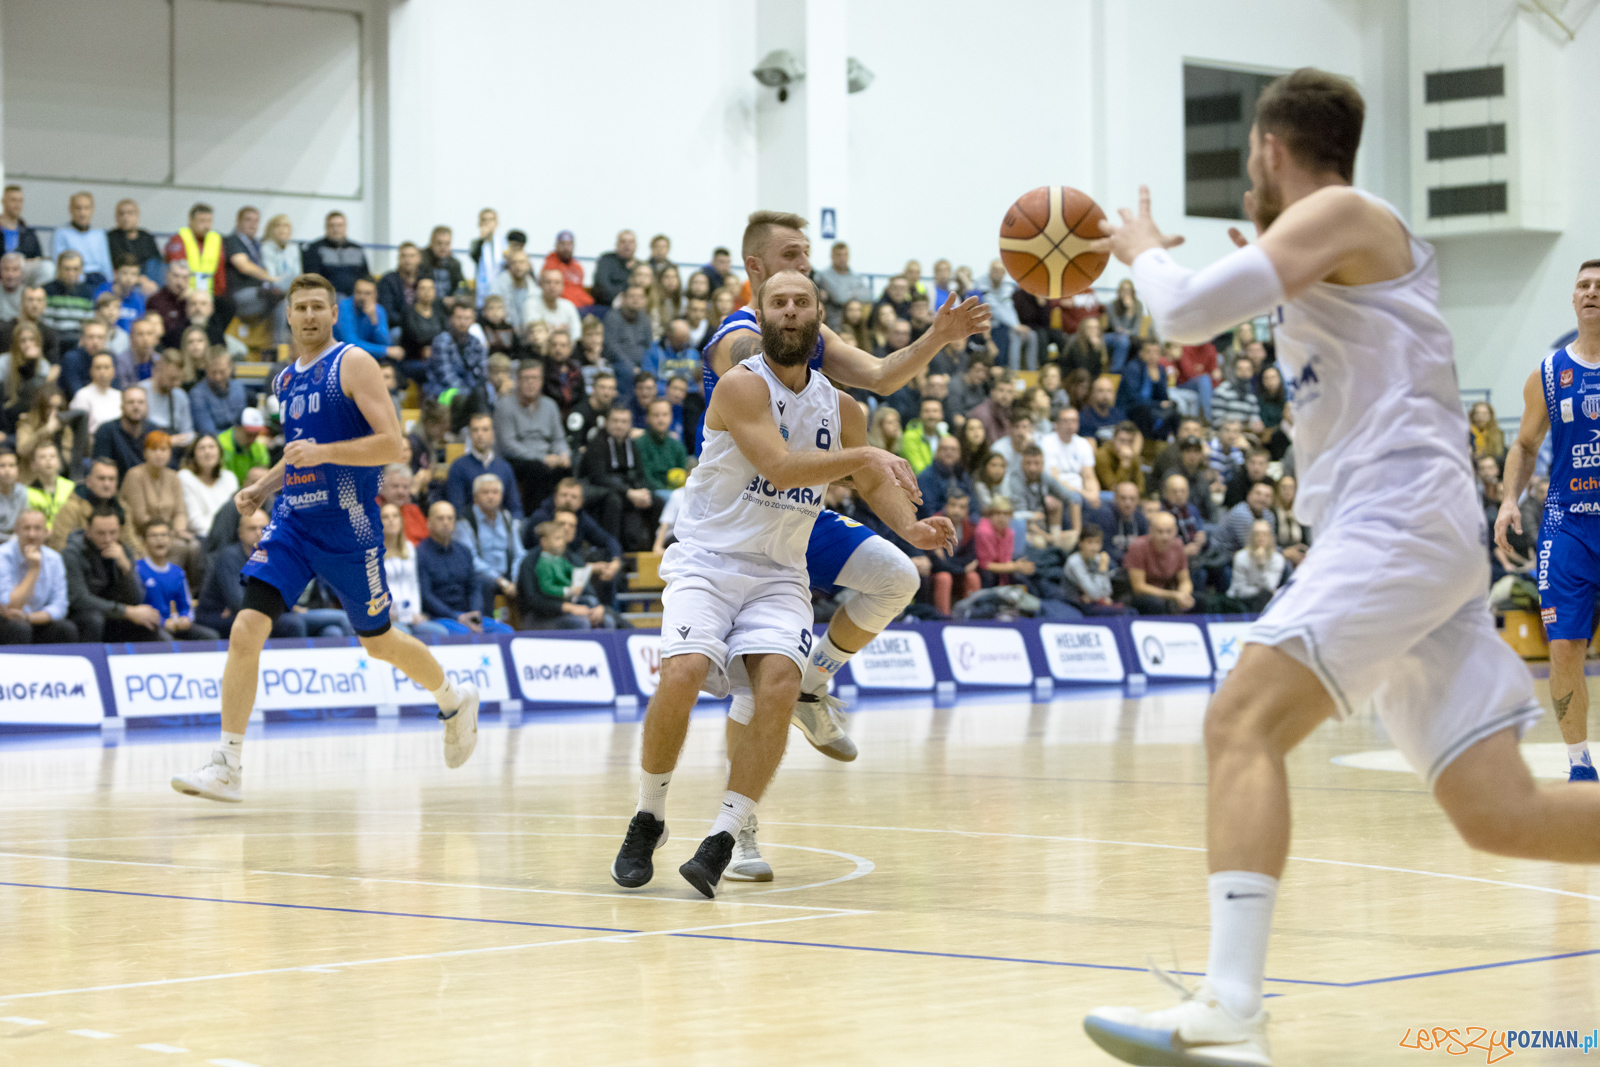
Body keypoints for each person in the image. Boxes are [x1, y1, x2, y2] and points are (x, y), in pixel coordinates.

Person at [1080, 70, 1563, 1067]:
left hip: (1397, 519)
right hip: (1407, 528)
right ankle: (1230, 1007)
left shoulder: (1343, 209)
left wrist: (1139, 251)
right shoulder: (1335, 243)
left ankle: (1231, 1008)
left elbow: (1176, 315)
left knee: (1239, 718)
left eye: (1250, 165)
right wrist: (1259, 282)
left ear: (1266, 151)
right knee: (1498, 813)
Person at [608, 268, 947, 898]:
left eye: (802, 302)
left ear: (820, 317)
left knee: (782, 685)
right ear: (760, 316)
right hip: (708, 561)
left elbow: (873, 484)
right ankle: (648, 815)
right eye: (778, 303)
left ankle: (726, 834)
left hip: (779, 573)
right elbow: (783, 467)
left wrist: (911, 526)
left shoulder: (843, 408)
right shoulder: (740, 387)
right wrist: (869, 456)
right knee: (681, 674)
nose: (790, 312)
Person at [171, 273, 482, 805]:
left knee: (379, 642)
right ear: (288, 317)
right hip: (293, 522)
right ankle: (228, 764)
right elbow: (300, 453)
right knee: (247, 627)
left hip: (349, 529)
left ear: (333, 313)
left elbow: (393, 446)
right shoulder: (285, 379)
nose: (309, 316)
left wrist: (324, 454)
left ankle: (453, 700)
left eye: (319, 306)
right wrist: (263, 487)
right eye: (301, 308)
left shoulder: (353, 363)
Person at [1497, 260, 1600, 784]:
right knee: (1563, 647)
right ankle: (1580, 764)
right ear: (1572, 298)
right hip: (1568, 525)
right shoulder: (1548, 373)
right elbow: (1524, 444)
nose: (1592, 292)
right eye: (1583, 285)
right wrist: (1509, 500)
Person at [64, 503, 162, 642]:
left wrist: (126, 569)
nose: (108, 539)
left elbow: (137, 599)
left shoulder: (123, 551)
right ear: (88, 531)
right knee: (94, 619)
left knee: (147, 622)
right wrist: (127, 612)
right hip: (82, 615)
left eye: (113, 532)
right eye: (101, 533)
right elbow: (80, 599)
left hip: (115, 615)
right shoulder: (72, 554)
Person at [415, 499, 512, 635]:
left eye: (450, 518)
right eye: (440, 518)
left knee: (505, 631)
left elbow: (474, 588)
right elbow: (426, 595)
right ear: (429, 522)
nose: (445, 522)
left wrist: (474, 614)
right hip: (439, 617)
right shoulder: (420, 553)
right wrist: (457, 616)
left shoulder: (464, 551)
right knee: (464, 633)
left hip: (468, 615)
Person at [494, 359, 570, 511]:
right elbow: (508, 445)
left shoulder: (550, 405)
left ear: (541, 381)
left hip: (548, 458)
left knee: (567, 469)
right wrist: (541, 458)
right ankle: (535, 517)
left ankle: (562, 516)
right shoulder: (505, 405)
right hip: (518, 460)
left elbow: (558, 438)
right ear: (518, 381)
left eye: (535, 378)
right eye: (526, 379)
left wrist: (563, 454)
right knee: (537, 469)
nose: (531, 383)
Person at [453, 472, 525, 619]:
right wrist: (499, 580)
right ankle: (486, 624)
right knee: (483, 583)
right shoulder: (466, 520)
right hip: (484, 575)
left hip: (509, 574)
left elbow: (519, 553)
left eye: (495, 492)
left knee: (529, 575)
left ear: (501, 495)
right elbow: (470, 558)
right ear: (475, 496)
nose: (491, 496)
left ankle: (528, 626)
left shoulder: (507, 518)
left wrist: (516, 578)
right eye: (485, 492)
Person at [0, 508, 75, 643]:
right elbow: (9, 606)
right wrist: (33, 570)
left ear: (46, 533)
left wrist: (30, 617)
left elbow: (60, 605)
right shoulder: (3, 556)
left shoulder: (54, 559)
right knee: (19, 628)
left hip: (36, 618)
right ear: (16, 530)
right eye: (26, 528)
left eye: (37, 529)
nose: (32, 535)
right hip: (7, 621)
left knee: (66, 629)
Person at [520, 517, 611, 629]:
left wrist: (597, 607)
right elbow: (535, 600)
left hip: (570, 606)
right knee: (582, 623)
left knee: (606, 620)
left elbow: (583, 584)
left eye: (562, 539)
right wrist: (568, 606)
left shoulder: (565, 559)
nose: (562, 543)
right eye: (557, 539)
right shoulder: (533, 562)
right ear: (544, 541)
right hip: (542, 616)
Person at [136, 519, 218, 642]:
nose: (159, 539)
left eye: (164, 535)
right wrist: (162, 622)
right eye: (154, 536)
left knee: (210, 636)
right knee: (166, 640)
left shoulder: (177, 573)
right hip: (149, 626)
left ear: (170, 540)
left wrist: (185, 619)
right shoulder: (138, 569)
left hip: (174, 624)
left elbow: (185, 605)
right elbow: (138, 604)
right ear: (144, 542)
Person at [379, 502, 446, 637]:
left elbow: (413, 584)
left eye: (395, 516)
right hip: (386, 616)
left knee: (441, 632)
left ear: (401, 520)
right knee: (405, 634)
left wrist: (416, 612)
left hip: (410, 614)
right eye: (385, 517)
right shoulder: (373, 552)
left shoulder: (409, 548)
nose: (391, 520)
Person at [426, 300, 491, 430]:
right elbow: (446, 376)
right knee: (464, 396)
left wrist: (475, 388)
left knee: (486, 391)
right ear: (451, 319)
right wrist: (469, 390)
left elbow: (481, 372)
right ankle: (462, 433)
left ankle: (481, 430)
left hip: (470, 390)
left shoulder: (476, 342)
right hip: (442, 391)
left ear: (473, 320)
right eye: (459, 318)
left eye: (467, 318)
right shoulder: (442, 340)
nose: (463, 322)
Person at [445, 411, 521, 519]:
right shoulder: (458, 467)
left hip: (501, 529)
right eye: (475, 430)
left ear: (492, 433)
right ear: (470, 435)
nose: (480, 434)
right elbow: (457, 508)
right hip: (470, 529)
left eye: (485, 429)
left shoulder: (505, 467)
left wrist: (513, 527)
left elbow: (515, 507)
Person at [927, 487, 979, 615]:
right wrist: (961, 568)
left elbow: (970, 558)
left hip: (956, 572)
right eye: (953, 505)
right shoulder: (934, 524)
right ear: (946, 506)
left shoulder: (969, 528)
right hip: (934, 573)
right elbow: (937, 563)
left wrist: (951, 563)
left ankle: (972, 616)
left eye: (962, 507)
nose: (957, 511)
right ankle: (943, 618)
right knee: (944, 577)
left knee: (973, 577)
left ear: (967, 510)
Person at [178, 433, 239, 542]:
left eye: (211, 447)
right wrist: (217, 535)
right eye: (202, 448)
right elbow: (195, 519)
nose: (207, 452)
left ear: (219, 452)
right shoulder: (185, 477)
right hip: (201, 537)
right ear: (194, 454)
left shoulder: (229, 477)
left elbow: (233, 514)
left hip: (229, 536)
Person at [299, 211, 369, 296]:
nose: (336, 230)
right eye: (332, 226)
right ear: (326, 227)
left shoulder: (357, 249)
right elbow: (312, 279)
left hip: (355, 299)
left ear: (345, 227)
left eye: (339, 225)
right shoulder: (314, 249)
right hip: (327, 297)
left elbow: (366, 278)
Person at [1041, 406, 1101, 501]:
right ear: (1056, 424)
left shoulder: (1083, 444)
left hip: (1082, 493)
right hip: (1057, 493)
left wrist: (1094, 494)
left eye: (1074, 421)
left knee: (1102, 507)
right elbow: (1054, 478)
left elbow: (1089, 476)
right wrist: (1082, 494)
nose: (1070, 425)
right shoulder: (1047, 442)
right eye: (1065, 421)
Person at [334, 276, 400, 361]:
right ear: (354, 292)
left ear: (376, 295)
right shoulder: (344, 307)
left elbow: (386, 343)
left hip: (368, 356)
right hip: (343, 356)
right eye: (359, 292)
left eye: (367, 293)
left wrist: (374, 320)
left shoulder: (378, 310)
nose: (362, 297)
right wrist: (385, 351)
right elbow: (351, 343)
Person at [1063, 523, 1124, 614]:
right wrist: (1102, 570)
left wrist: (1100, 597)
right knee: (1111, 612)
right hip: (1073, 605)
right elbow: (1094, 593)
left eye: (1097, 543)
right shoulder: (1074, 562)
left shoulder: (1097, 559)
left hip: (1093, 603)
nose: (1094, 548)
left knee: (1129, 611)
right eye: (1090, 542)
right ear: (1080, 542)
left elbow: (1107, 591)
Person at [1228, 518, 1286, 612]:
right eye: (1257, 534)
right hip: (1240, 601)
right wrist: (1259, 591)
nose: (1261, 538)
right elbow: (1239, 590)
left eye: (1265, 534)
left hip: (1265, 600)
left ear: (1270, 538)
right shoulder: (1240, 557)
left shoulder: (1277, 559)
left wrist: (1261, 565)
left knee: (1266, 597)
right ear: (1251, 537)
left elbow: (1270, 586)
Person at [602, 284, 654, 382]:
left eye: (640, 297)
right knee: (627, 373)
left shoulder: (645, 318)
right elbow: (612, 347)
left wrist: (645, 366)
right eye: (632, 296)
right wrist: (631, 367)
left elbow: (649, 345)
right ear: (623, 298)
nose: (636, 300)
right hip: (619, 364)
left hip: (643, 364)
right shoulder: (612, 317)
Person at [815, 241, 872, 331]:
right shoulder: (823, 276)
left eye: (845, 255)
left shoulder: (856, 276)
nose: (842, 258)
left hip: (855, 321)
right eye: (839, 255)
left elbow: (868, 295)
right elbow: (840, 297)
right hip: (834, 322)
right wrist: (855, 291)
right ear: (832, 256)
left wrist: (846, 292)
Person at [108, 198, 163, 292]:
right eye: (121, 214)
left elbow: (156, 265)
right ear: (116, 217)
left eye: (130, 213)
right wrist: (136, 279)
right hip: (120, 283)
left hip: (147, 283)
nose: (125, 217)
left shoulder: (147, 237)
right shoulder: (110, 238)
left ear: (137, 215)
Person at [189, 349, 247, 438]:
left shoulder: (238, 387)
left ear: (231, 368)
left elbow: (244, 423)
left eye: (222, 372)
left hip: (240, 440)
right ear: (206, 370)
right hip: (214, 444)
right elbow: (208, 431)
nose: (218, 377)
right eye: (213, 372)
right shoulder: (197, 394)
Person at [145, 352, 195, 450]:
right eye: (172, 379)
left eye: (179, 379)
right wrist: (167, 440)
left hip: (174, 452)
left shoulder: (180, 396)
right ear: (158, 370)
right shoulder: (141, 392)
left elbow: (188, 434)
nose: (177, 383)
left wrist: (169, 441)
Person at [975, 496, 1030, 586]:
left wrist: (1017, 567)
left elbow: (1006, 559)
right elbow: (984, 564)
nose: (1001, 517)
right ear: (990, 515)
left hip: (999, 568)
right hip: (982, 571)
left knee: (1021, 573)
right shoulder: (984, 531)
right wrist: (1015, 566)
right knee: (990, 575)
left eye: (1005, 514)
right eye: (997, 513)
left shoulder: (1009, 532)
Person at [25, 441, 74, 530]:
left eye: (52, 456)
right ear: (33, 465)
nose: (48, 460)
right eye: (42, 457)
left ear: (59, 462)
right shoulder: (26, 492)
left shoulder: (71, 488)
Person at [218, 408, 271, 485]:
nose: (252, 439)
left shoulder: (258, 445)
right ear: (237, 428)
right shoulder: (221, 445)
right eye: (249, 435)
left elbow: (264, 470)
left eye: (256, 434)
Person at [542, 230, 592, 309]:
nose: (566, 248)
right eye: (563, 244)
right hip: (564, 307)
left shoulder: (577, 267)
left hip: (583, 305)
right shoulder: (550, 265)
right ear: (556, 245)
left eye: (569, 244)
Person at [1095, 421, 1145, 497]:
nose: (1126, 445)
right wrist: (1124, 466)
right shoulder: (1102, 455)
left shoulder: (1133, 455)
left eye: (1130, 441)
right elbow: (1113, 488)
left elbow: (1140, 486)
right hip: (1106, 498)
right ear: (1114, 438)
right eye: (1122, 440)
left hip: (1130, 497)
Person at [593, 230, 639, 308]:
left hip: (634, 308)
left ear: (636, 246)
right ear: (617, 244)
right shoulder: (606, 260)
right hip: (607, 305)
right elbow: (603, 286)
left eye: (631, 242)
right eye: (623, 242)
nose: (627, 246)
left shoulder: (639, 266)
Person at [418, 225, 464, 303]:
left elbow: (461, 285)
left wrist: (457, 296)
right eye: (439, 243)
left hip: (448, 305)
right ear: (431, 242)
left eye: (447, 244)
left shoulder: (455, 263)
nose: (443, 247)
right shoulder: (421, 260)